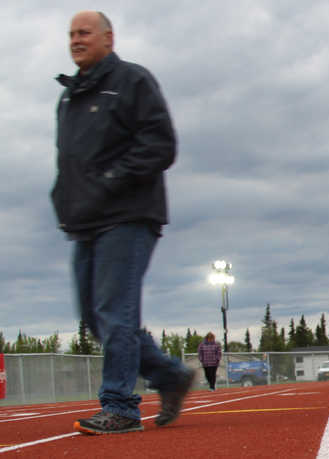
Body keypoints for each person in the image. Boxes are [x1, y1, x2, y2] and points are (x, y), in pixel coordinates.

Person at [53, 11, 194, 435]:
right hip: (85, 221)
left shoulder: (133, 81)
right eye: (72, 34)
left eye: (85, 33)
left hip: (129, 215)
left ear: (108, 39)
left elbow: (161, 145)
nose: (76, 40)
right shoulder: (70, 96)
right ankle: (169, 374)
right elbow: (71, 163)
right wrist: (63, 199)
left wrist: (111, 180)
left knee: (115, 312)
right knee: (98, 320)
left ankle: (120, 407)